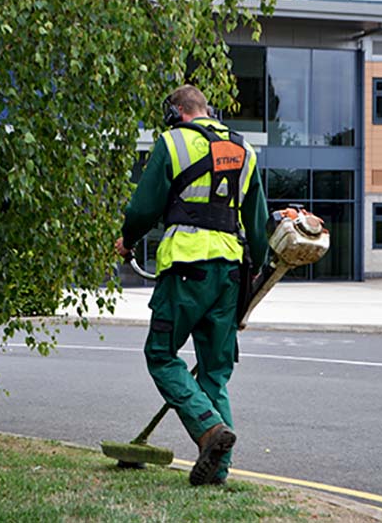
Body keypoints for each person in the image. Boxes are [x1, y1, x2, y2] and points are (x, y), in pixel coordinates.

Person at [114, 85, 268, 486]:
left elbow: (143, 207)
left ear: (176, 112)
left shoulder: (172, 142)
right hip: (230, 273)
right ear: (208, 110)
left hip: (186, 267)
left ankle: (208, 429)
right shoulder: (245, 149)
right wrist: (258, 269)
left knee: (161, 355)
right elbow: (258, 222)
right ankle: (218, 469)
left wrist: (128, 240)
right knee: (214, 372)